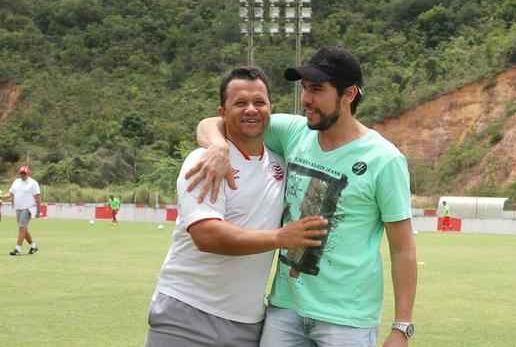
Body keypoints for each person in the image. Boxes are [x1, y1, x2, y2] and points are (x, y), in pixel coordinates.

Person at [190, 47, 417, 347]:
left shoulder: (384, 160)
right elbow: (216, 121)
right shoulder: (294, 132)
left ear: (349, 94)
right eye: (305, 88)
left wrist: (401, 328)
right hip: (285, 309)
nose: (306, 99)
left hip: (347, 320)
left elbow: (403, 248)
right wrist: (218, 146)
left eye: (317, 90)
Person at [145, 67, 327, 347]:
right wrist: (281, 237)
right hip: (186, 315)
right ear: (222, 111)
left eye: (259, 102)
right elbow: (207, 236)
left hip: (247, 325)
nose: (251, 110)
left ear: (270, 108)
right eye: (240, 103)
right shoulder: (204, 162)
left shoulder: (281, 163)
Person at [2, 166, 41, 256]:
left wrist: (38, 211)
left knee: (21, 228)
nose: (23, 175)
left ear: (28, 173)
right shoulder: (16, 182)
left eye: (24, 173)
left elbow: (38, 198)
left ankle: (17, 249)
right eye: (21, 173)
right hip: (18, 208)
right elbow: (10, 194)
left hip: (28, 208)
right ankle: (33, 246)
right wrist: (2, 197)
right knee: (23, 229)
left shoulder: (33, 183)